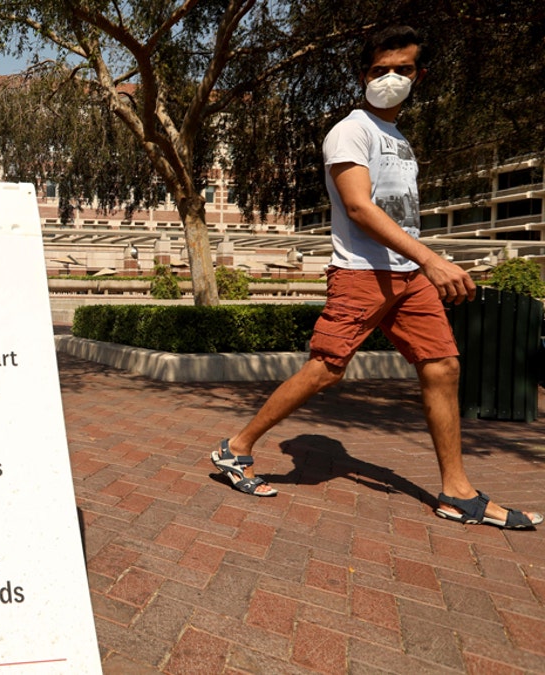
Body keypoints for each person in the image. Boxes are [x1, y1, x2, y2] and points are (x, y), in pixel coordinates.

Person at [212, 26, 542, 530]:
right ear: (363, 75)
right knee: (327, 367)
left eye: (403, 70)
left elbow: (398, 212)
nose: (391, 78)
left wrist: (420, 265)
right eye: (379, 69)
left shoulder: (400, 139)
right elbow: (360, 208)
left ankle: (457, 492)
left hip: (407, 277)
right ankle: (236, 448)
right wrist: (433, 259)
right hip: (363, 273)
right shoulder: (352, 130)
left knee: (442, 367)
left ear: (419, 75)